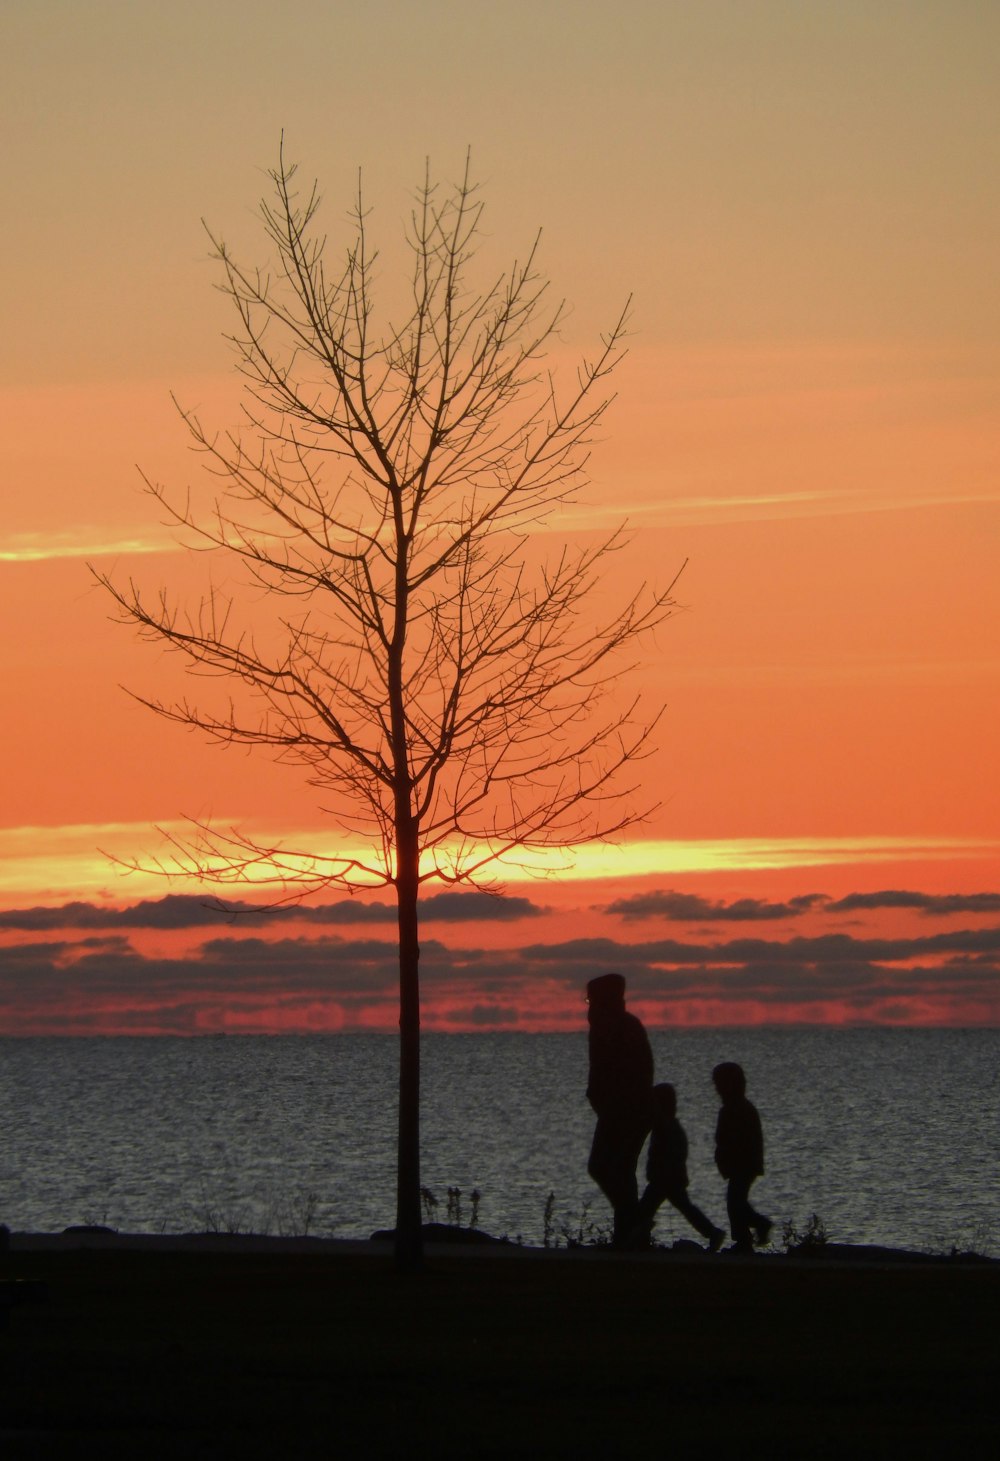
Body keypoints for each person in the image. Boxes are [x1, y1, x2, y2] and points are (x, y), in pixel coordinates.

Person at [585, 972, 654, 1247]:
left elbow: (620, 1072)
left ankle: (633, 1224)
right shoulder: (614, 1026)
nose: (588, 1006)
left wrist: (609, 1099)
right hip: (620, 1110)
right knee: (618, 1171)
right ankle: (629, 1233)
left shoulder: (617, 1027)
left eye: (591, 999)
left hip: (625, 1110)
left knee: (607, 1168)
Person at [637, 1083, 725, 1251]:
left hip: (664, 1179)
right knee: (683, 1208)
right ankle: (712, 1233)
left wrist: (660, 1173)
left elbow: (669, 1154)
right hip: (668, 1178)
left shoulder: (665, 1127)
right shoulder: (669, 1126)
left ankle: (638, 1236)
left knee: (646, 1209)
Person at [712, 1061, 772, 1254]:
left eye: (720, 1084)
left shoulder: (738, 1109)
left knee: (735, 1202)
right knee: (737, 1202)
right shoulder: (736, 1108)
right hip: (741, 1164)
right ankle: (746, 1237)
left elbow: (737, 1139)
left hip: (743, 1164)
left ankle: (753, 1231)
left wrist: (728, 1158)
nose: (717, 1089)